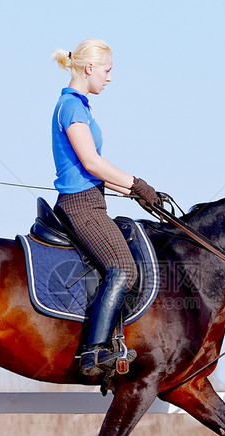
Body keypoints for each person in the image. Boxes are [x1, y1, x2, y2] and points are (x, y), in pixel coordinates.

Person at [51, 38, 159, 377]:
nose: (109, 78)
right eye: (107, 71)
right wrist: (135, 183)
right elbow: (92, 162)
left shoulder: (81, 106)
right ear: (89, 69)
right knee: (124, 268)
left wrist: (135, 193)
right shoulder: (71, 107)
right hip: (81, 206)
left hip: (91, 199)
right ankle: (94, 352)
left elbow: (91, 171)